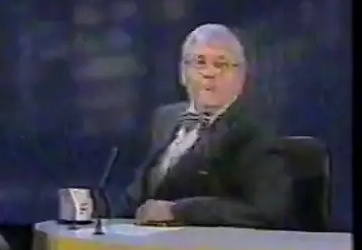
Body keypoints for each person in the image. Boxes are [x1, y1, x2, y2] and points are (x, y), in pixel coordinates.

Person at [116, 24, 291, 229]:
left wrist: (178, 211)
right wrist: (96, 207)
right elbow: (138, 198)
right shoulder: (166, 118)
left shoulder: (254, 130)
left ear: (241, 77)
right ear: (183, 73)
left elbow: (266, 212)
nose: (209, 73)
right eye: (200, 62)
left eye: (221, 64)